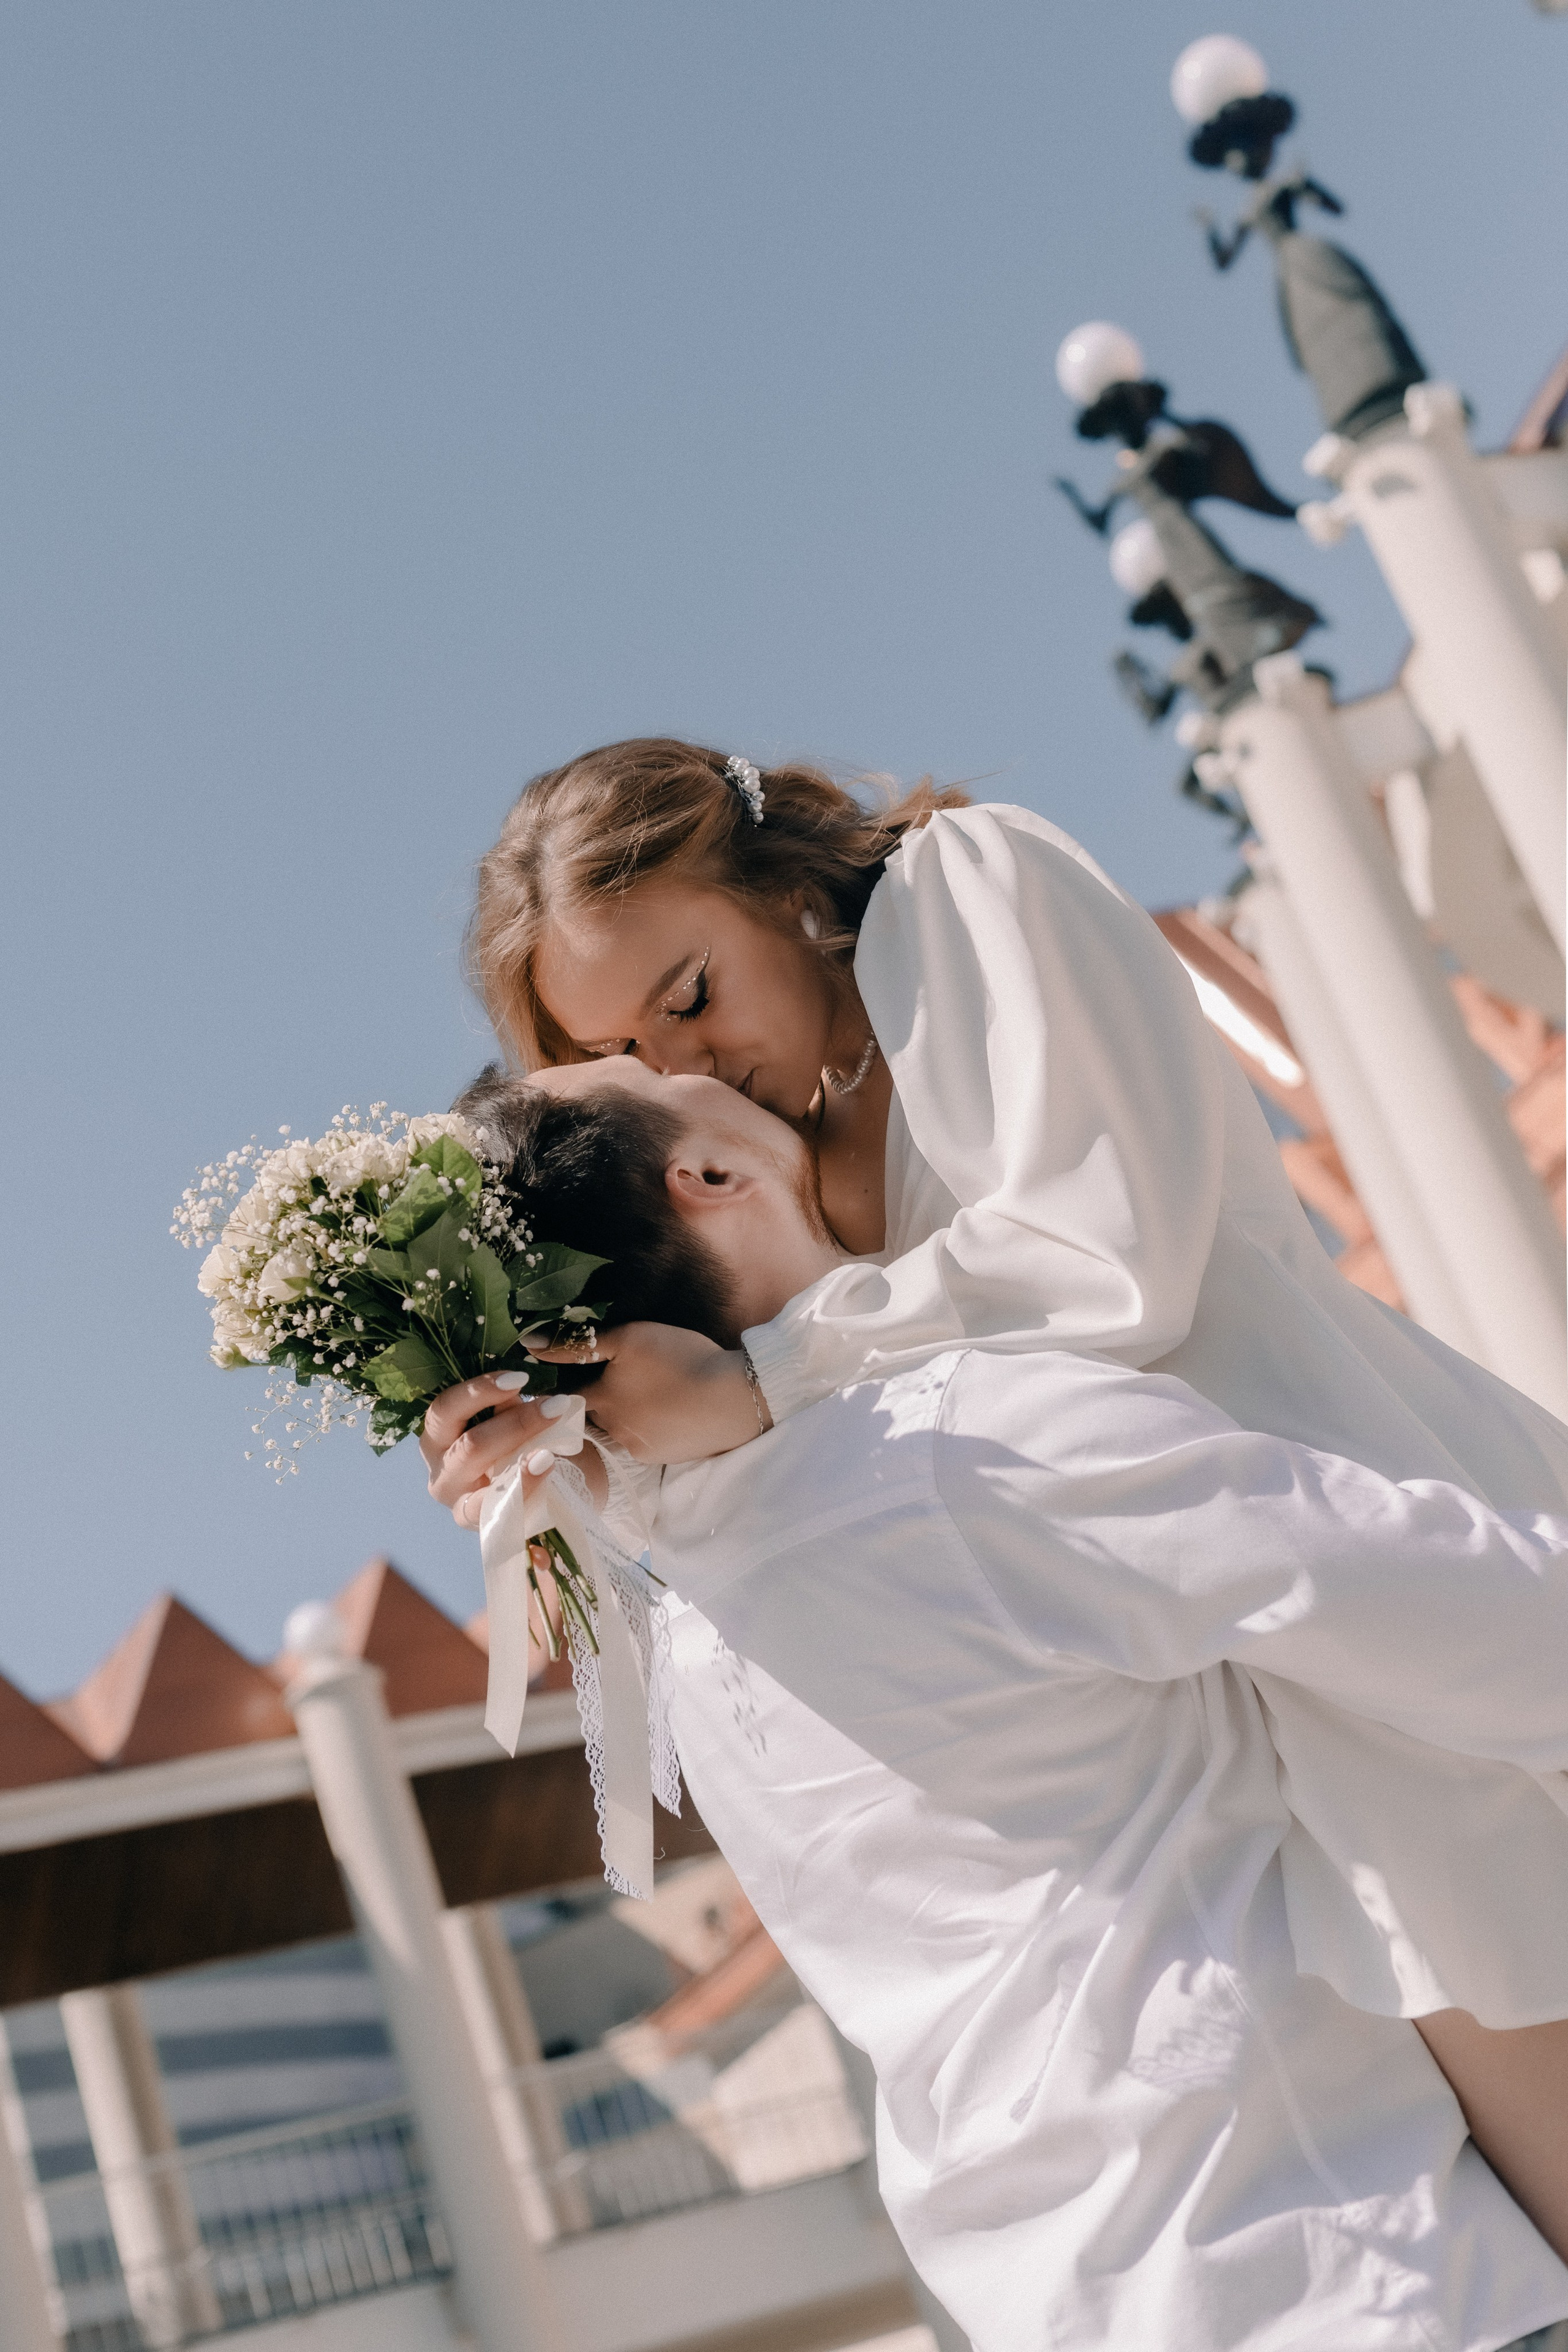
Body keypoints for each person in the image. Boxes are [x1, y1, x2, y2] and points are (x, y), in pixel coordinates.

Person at [442, 1053, 1568, 2352]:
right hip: (1340, 2269)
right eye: (648, 1063)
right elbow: (1518, 1632)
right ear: (705, 1174)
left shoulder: (688, 1606)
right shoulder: (959, 1447)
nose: (687, 1054)